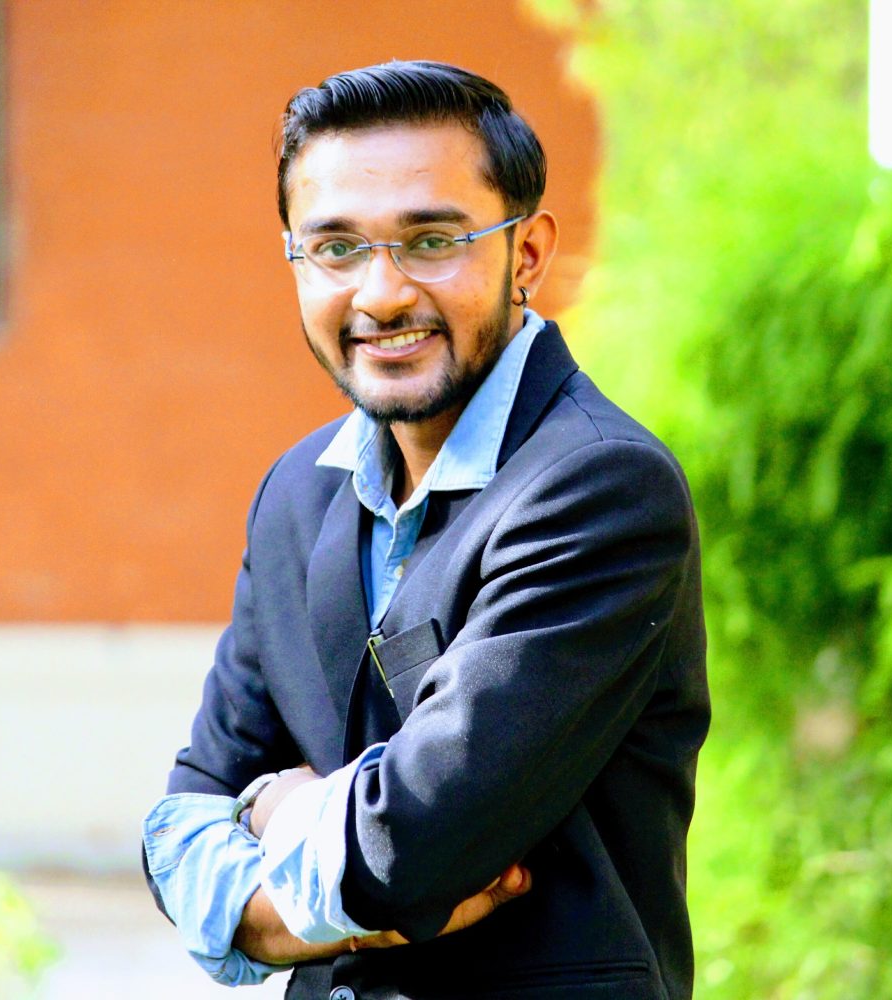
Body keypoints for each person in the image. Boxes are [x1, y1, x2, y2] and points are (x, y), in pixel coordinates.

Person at [143, 60, 709, 1000]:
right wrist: (307, 910)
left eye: (433, 240)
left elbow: (416, 842)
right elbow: (183, 819)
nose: (381, 294)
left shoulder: (598, 487)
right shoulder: (296, 493)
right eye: (336, 248)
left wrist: (278, 811)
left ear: (527, 255)